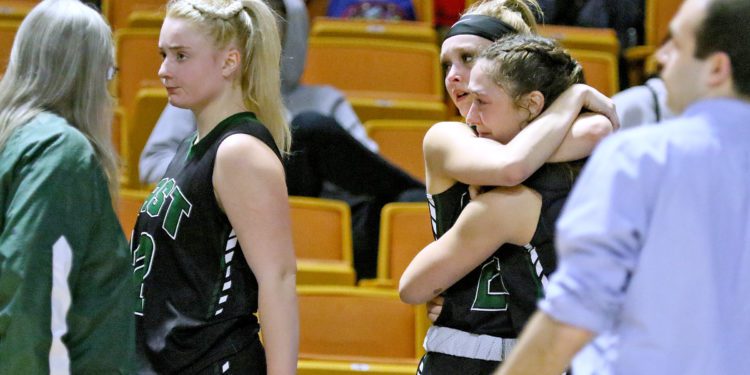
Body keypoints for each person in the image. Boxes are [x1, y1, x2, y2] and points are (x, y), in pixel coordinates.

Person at [496, 0, 750, 374]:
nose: (660, 57)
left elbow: (573, 313)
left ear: (716, 68)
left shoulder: (641, 157)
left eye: (675, 45)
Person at [398, 0, 618, 373]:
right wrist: (574, 97)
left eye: (468, 58)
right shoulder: (448, 136)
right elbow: (511, 165)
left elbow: (597, 130)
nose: (454, 75)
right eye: (446, 64)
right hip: (465, 341)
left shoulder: (560, 136)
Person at [139, 0, 424, 279]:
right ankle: (428, 194)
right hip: (241, 201)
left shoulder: (325, 98)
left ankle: (420, 196)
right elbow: (152, 164)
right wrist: (226, 171)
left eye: (273, 24)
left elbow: (364, 169)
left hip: (317, 212)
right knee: (307, 128)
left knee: (400, 201)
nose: (262, 35)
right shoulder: (206, 91)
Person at [132, 0, 298, 373]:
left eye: (181, 56)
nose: (163, 70)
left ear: (229, 62)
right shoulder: (191, 146)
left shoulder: (239, 152)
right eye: (163, 54)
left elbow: (279, 279)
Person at [0, 0, 133, 373]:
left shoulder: (15, 137)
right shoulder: (61, 152)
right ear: (87, 76)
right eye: (107, 72)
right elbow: (32, 294)